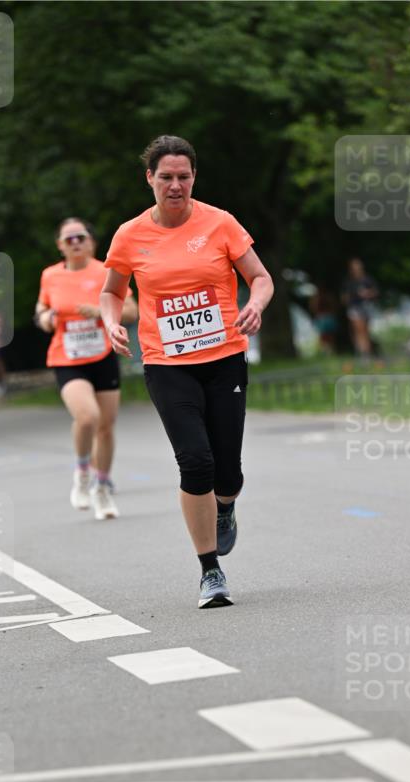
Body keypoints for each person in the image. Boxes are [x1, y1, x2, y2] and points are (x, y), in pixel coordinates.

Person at [100, 135, 273, 609]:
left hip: (223, 358)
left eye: (183, 176)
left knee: (228, 472)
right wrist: (112, 323)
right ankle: (210, 570)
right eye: (166, 177)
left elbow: (260, 277)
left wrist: (256, 304)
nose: (175, 185)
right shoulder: (130, 235)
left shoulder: (220, 223)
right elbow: (112, 291)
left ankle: (225, 506)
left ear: (194, 177)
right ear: (149, 179)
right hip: (167, 363)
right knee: (195, 462)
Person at [34, 218, 138, 519]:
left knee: (105, 426)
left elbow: (132, 311)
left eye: (81, 237)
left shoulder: (107, 271)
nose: (76, 243)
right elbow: (41, 311)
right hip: (67, 359)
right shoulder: (50, 275)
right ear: (60, 245)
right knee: (87, 416)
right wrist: (46, 319)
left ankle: (101, 488)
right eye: (69, 239)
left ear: (92, 242)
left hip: (102, 356)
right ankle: (82, 472)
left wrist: (101, 312)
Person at [341, 258, 378, 358]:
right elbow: (344, 298)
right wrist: (351, 297)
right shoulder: (349, 282)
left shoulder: (368, 279)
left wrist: (367, 294)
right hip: (354, 307)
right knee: (358, 330)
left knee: (365, 330)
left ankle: (367, 353)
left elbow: (375, 292)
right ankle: (363, 353)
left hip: (366, 306)